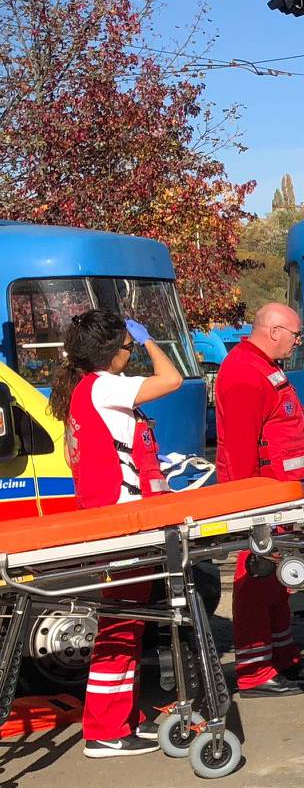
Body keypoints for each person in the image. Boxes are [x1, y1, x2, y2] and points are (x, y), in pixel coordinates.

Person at [50, 309, 182, 757]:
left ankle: (118, 719)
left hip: (115, 521)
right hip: (124, 524)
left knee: (126, 625)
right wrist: (149, 341)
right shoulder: (105, 387)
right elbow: (172, 379)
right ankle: (105, 730)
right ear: (112, 352)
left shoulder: (86, 390)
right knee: (121, 627)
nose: (133, 352)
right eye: (127, 346)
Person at [214, 302, 304, 697]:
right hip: (261, 494)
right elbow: (241, 446)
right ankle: (254, 670)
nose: (298, 342)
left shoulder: (261, 365)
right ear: (275, 330)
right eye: (296, 335)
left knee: (278, 578)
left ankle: (283, 656)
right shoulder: (245, 372)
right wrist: (250, 500)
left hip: (279, 492)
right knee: (257, 577)